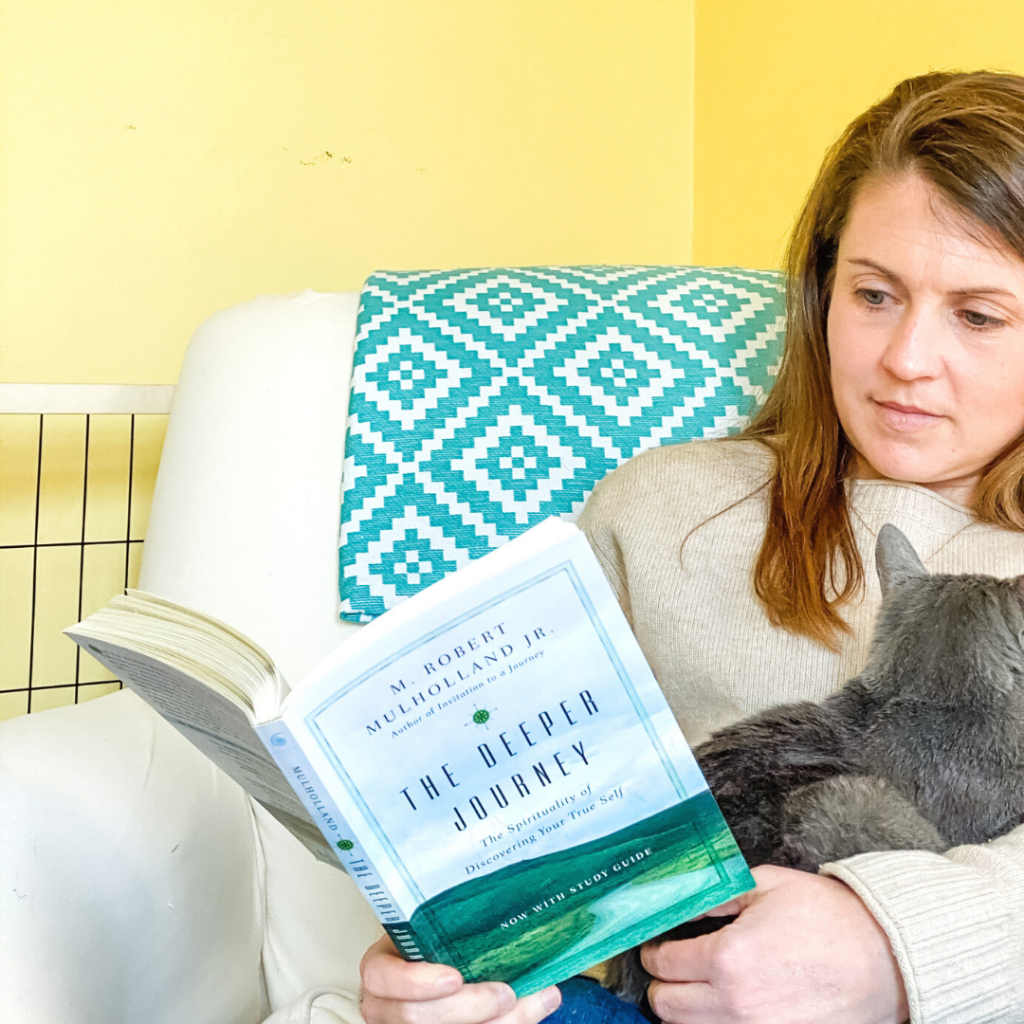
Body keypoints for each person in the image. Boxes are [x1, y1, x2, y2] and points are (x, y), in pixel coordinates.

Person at [358, 70, 1024, 1024]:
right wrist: (446, 965)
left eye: (978, 315)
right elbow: (526, 826)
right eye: (873, 295)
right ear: (820, 294)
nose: (906, 359)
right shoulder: (662, 507)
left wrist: (896, 948)